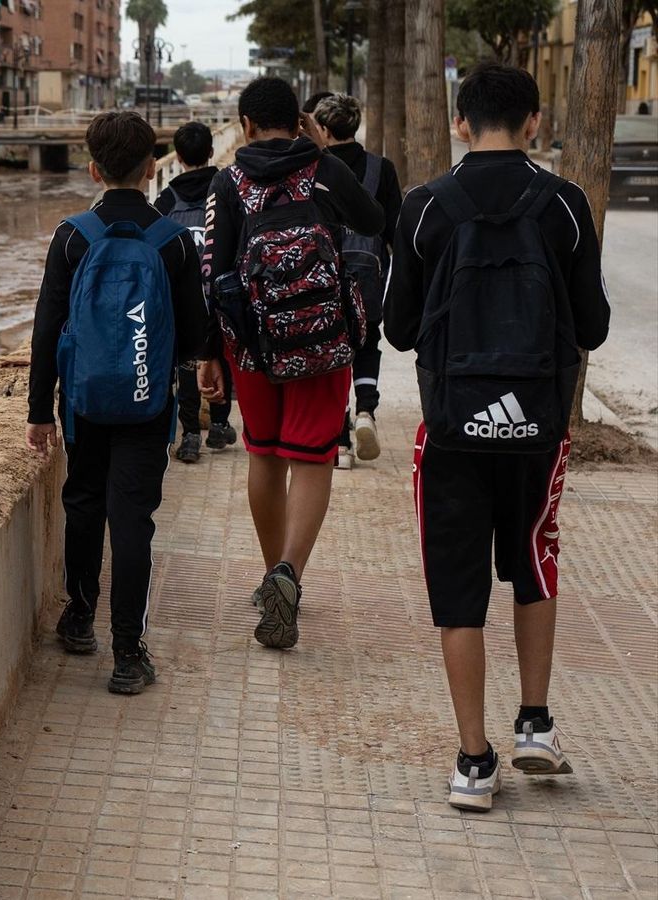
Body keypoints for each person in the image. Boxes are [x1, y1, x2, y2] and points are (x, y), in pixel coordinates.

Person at [382, 63, 610, 812]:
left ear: (459, 123)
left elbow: (400, 329)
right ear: (534, 123)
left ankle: (474, 764)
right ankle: (535, 725)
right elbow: (596, 325)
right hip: (537, 428)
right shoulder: (566, 205)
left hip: (452, 428)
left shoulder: (424, 208)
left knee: (458, 591)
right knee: (534, 561)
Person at [196, 77, 383, 650]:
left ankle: (269, 569)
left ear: (245, 125)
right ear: (300, 120)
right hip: (323, 342)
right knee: (312, 458)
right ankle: (290, 573)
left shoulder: (229, 181)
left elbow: (215, 269)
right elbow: (372, 222)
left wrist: (210, 355)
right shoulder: (324, 170)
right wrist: (323, 154)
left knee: (265, 454)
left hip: (253, 345)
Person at [26, 111, 207, 695]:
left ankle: (79, 618)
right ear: (154, 169)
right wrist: (200, 380)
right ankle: (129, 654)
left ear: (93, 169)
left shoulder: (72, 235)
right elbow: (194, 334)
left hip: (82, 402)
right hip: (148, 404)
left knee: (83, 505)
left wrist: (36, 410)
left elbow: (47, 326)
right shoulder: (174, 241)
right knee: (133, 522)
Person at [305, 92, 405, 469]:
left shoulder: (314, 168)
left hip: (323, 273)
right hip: (369, 274)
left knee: (330, 353)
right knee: (366, 343)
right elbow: (394, 230)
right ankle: (366, 411)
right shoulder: (382, 168)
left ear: (325, 129)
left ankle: (340, 442)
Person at [154, 121, 236, 464]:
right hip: (221, 291)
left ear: (179, 155)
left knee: (187, 363)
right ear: (211, 151)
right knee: (221, 354)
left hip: (181, 296)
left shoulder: (167, 198)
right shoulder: (226, 189)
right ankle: (218, 425)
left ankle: (189, 435)